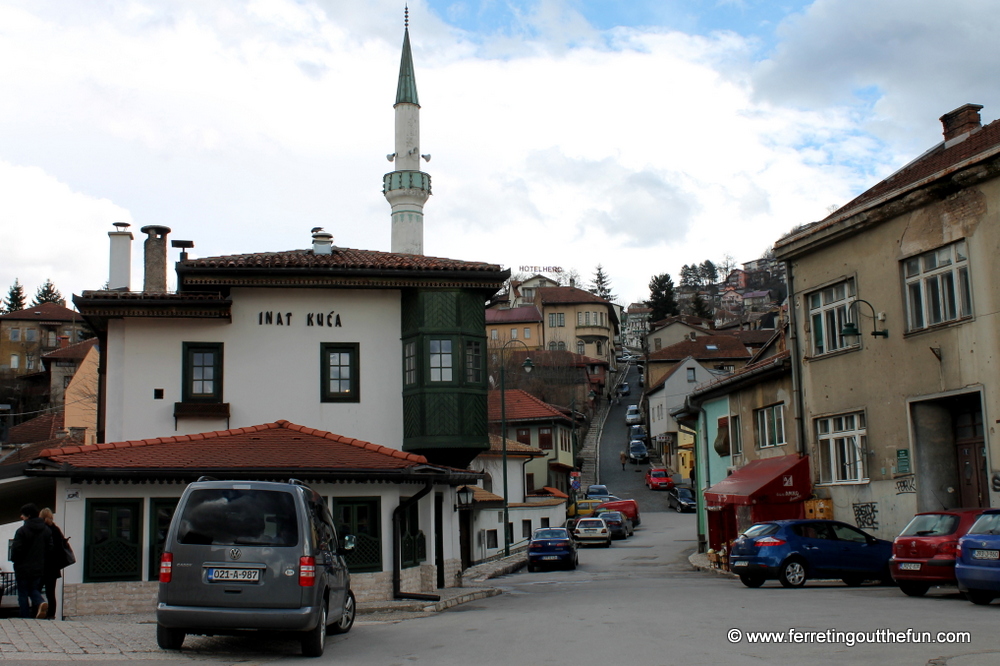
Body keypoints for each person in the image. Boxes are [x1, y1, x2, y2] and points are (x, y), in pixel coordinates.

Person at [11, 503, 52, 619]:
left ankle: (25, 617)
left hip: (22, 567)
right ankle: (40, 601)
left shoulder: (22, 531)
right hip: (39, 567)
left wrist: (15, 561)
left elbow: (16, 550)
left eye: (23, 515)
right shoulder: (46, 530)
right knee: (33, 589)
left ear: (28, 515)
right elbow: (50, 548)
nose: (21, 517)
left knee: (23, 593)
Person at [39, 508, 68, 620]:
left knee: (36, 590)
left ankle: (38, 609)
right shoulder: (56, 530)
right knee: (51, 593)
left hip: (42, 565)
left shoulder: (42, 529)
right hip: (54, 566)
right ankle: (51, 614)